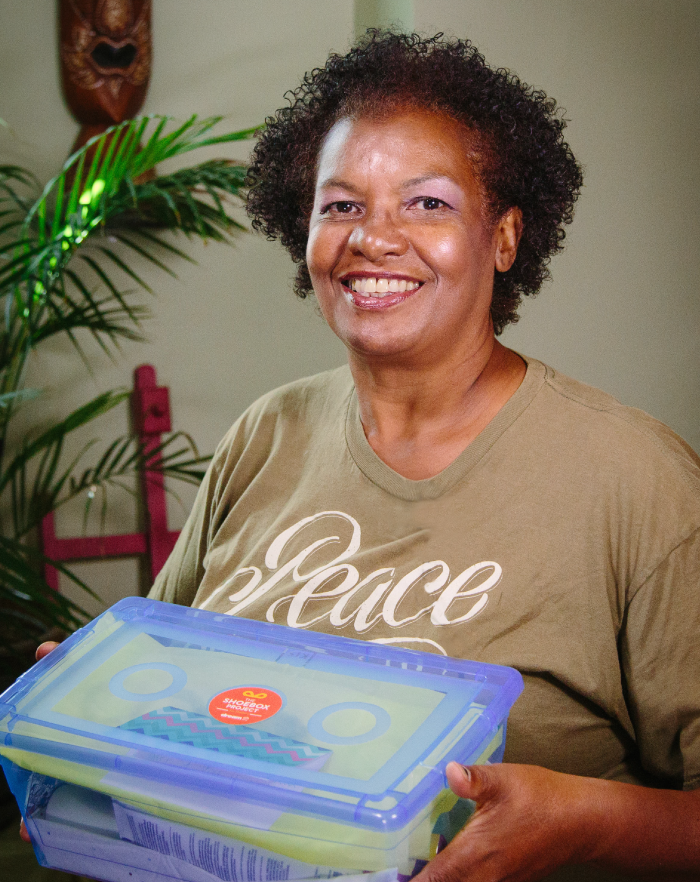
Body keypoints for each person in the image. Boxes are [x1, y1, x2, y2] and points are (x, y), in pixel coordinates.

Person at [28, 31, 700, 882]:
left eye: (427, 203)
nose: (374, 239)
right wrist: (94, 699)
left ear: (503, 236)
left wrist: (586, 821)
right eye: (341, 206)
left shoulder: (637, 482)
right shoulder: (266, 435)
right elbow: (176, 698)